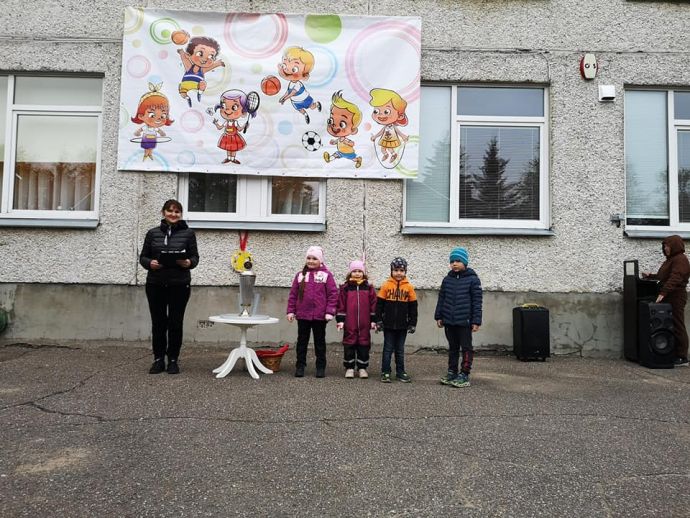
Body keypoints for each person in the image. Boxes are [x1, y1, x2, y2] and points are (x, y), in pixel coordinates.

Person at [139, 200, 199, 374]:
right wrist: (150, 263)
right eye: (170, 211)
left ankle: (173, 359)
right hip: (155, 284)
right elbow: (143, 257)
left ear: (181, 214)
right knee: (158, 323)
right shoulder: (153, 233)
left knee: (175, 323)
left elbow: (195, 257)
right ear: (163, 212)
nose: (173, 214)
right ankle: (158, 359)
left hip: (179, 285)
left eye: (177, 211)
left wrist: (188, 263)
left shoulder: (188, 234)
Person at [434, 247, 483, 388]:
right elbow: (442, 298)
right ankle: (452, 371)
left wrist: (476, 320)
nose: (454, 264)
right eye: (452, 261)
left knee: (466, 348)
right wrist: (439, 316)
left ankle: (464, 374)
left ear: (465, 262)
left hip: (465, 322)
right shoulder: (447, 280)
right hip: (449, 321)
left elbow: (477, 302)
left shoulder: (473, 280)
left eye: (458, 261)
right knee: (453, 348)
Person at [286, 246, 338, 377]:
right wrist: (291, 311)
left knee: (319, 343)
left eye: (314, 258)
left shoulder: (326, 275)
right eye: (308, 258)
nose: (311, 261)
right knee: (302, 342)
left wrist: (330, 312)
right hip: (303, 315)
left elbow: (333, 294)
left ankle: (320, 367)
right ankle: (300, 366)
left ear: (320, 261)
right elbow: (293, 295)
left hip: (320, 316)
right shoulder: (300, 275)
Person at [642, 235, 690, 366]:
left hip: (676, 296)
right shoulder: (670, 260)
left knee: (677, 324)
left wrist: (663, 293)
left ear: (674, 246)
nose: (665, 249)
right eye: (664, 246)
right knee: (668, 324)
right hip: (669, 295)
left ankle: (682, 356)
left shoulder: (680, 259)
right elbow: (663, 276)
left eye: (667, 246)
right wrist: (650, 276)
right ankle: (671, 352)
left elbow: (676, 278)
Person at [375, 257, 418, 383]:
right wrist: (378, 320)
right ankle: (385, 372)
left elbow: (413, 307)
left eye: (401, 270)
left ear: (405, 272)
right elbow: (379, 305)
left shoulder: (409, 287)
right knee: (387, 349)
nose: (398, 273)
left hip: (402, 325)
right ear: (391, 271)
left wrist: (412, 323)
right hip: (388, 325)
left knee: (400, 350)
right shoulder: (386, 285)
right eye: (396, 270)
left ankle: (400, 372)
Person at [336, 260, 377, 378]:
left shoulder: (368, 288)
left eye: (360, 271)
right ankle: (349, 367)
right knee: (349, 344)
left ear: (363, 273)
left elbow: (374, 304)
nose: (357, 273)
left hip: (364, 323)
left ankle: (362, 367)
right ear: (350, 273)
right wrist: (340, 320)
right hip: (350, 323)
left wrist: (373, 320)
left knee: (364, 344)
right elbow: (341, 305)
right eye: (354, 271)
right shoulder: (345, 288)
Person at [277, 46, 322, 124]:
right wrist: (282, 97)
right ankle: (305, 115)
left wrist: (285, 99)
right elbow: (288, 92)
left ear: (304, 75)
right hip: (295, 101)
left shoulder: (298, 84)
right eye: (284, 65)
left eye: (294, 69)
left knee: (312, 107)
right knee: (300, 109)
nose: (287, 70)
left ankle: (317, 104)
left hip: (304, 99)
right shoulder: (291, 83)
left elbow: (292, 93)